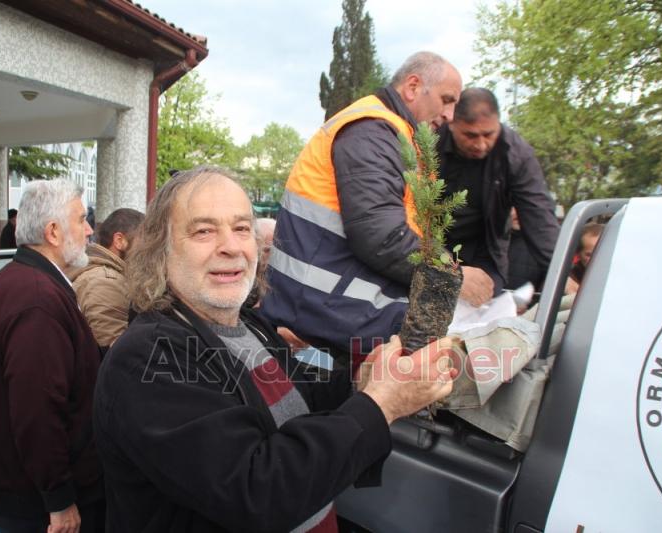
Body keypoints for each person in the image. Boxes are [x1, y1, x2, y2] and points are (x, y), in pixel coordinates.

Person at [93, 166, 457, 532]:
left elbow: (302, 397)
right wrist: (380, 404)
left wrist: (362, 381)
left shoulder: (248, 324)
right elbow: (256, 493)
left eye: (241, 228)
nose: (231, 246)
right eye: (204, 231)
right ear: (161, 249)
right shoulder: (147, 358)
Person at [260, 51, 463, 367]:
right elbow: (381, 235)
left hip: (332, 308)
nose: (450, 115)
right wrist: (447, 271)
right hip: (329, 314)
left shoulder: (394, 136)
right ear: (413, 87)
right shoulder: (374, 131)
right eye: (446, 100)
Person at [0, 179, 104, 532]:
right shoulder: (37, 300)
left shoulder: (26, 281)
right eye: (81, 219)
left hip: (20, 486)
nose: (89, 230)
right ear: (53, 231)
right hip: (32, 499)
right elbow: (37, 411)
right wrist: (58, 498)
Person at [437, 87, 560, 307]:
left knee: (481, 309)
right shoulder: (430, 142)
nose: (480, 144)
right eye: (470, 135)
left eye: (488, 134)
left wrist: (562, 273)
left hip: (485, 251)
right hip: (431, 244)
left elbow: (540, 219)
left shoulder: (516, 154)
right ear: (453, 123)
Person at [69, 207, 145, 350]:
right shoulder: (105, 282)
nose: (147, 249)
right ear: (119, 241)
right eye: (144, 241)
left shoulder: (107, 275)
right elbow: (115, 350)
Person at [567, 221, 604, 292]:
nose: (597, 258)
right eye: (590, 255)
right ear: (578, 254)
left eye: (602, 252)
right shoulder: (572, 278)